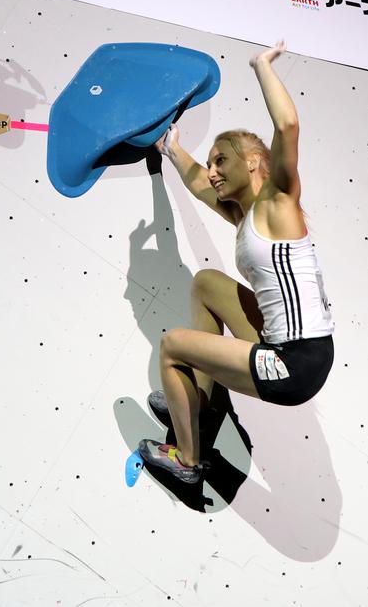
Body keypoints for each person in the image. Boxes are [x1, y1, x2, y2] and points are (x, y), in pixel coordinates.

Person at [138, 41, 335, 483]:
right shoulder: (244, 213)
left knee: (171, 347)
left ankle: (187, 460)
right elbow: (195, 183)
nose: (212, 171)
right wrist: (170, 146)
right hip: (290, 344)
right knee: (207, 282)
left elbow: (287, 124)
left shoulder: (278, 202)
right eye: (211, 163)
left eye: (221, 160)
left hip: (295, 364)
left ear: (252, 162)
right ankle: (199, 407)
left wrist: (261, 65)